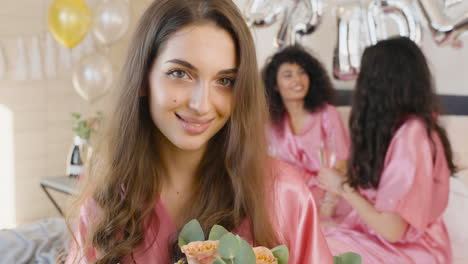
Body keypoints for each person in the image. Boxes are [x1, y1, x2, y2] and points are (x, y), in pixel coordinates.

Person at [65, 0, 333, 263]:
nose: (201, 105)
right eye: (180, 74)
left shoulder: (283, 193)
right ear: (143, 78)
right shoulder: (107, 201)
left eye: (225, 81)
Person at [318, 37, 455, 264]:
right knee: (308, 237)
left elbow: (393, 230)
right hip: (385, 239)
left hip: (410, 251)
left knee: (316, 248)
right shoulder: (396, 129)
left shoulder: (413, 135)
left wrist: (342, 188)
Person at [262, 45, 350, 221]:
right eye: (288, 75)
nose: (298, 80)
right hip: (288, 200)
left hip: (331, 199)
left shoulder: (327, 114)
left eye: (302, 72)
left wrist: (326, 210)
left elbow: (341, 166)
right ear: (275, 86)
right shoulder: (269, 123)